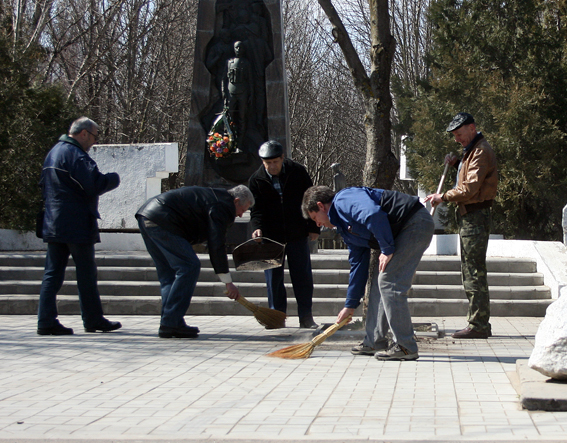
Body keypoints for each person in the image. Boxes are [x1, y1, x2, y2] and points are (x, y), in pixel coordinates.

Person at [303, 186, 433, 361]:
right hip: (403, 230)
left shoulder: (344, 199)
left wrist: (386, 249)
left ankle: (405, 346)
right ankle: (374, 342)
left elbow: (373, 214)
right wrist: (350, 305)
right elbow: (358, 265)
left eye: (315, 218)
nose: (318, 224)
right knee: (381, 282)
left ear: (321, 206)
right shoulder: (344, 227)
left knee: (390, 281)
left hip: (414, 222)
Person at [37, 117, 121, 335]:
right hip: (76, 223)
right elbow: (93, 184)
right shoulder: (75, 155)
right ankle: (93, 319)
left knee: (52, 273)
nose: (94, 142)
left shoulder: (53, 153)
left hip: (54, 221)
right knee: (86, 273)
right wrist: (113, 179)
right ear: (83, 133)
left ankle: (45, 321)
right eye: (94, 136)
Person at [135, 185, 253, 338]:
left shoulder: (215, 197)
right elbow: (216, 243)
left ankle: (171, 322)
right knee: (189, 266)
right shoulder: (222, 206)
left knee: (168, 274)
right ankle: (170, 322)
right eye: (242, 210)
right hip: (163, 219)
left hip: (147, 215)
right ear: (236, 201)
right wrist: (227, 281)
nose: (241, 215)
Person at [424, 112, 498, 339]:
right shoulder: (472, 151)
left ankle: (478, 325)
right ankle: (478, 322)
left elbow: (469, 189)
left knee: (473, 271)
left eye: (459, 134)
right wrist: (457, 163)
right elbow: (469, 179)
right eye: (454, 135)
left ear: (472, 128)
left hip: (475, 216)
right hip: (469, 216)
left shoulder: (480, 151)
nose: (457, 139)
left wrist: (443, 196)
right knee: (471, 270)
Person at [249, 141, 320, 329]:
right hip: (271, 237)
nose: (272, 166)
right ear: (262, 162)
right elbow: (256, 210)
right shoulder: (256, 180)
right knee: (273, 279)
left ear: (282, 158)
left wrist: (313, 226)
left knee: (302, 277)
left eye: (275, 162)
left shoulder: (297, 172)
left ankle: (306, 316)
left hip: (296, 232)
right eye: (268, 163)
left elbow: (310, 199)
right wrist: (257, 227)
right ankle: (277, 317)